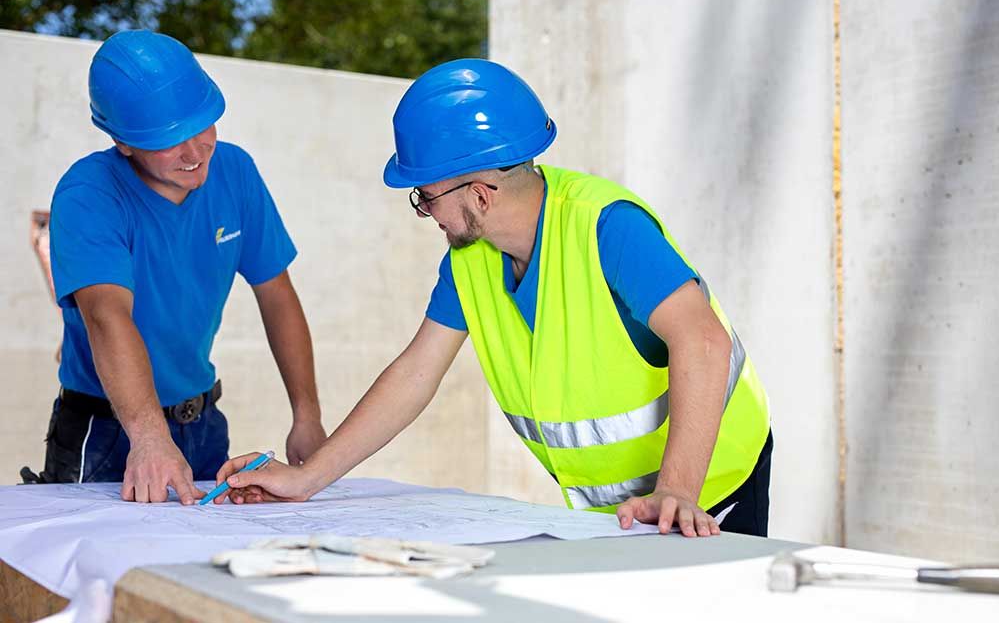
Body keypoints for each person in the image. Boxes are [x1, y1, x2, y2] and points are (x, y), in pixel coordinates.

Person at [215, 59, 773, 537]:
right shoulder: (469, 261)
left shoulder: (606, 226)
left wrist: (678, 491)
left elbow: (701, 339)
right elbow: (415, 374)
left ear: (479, 193)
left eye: (425, 197)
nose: (426, 213)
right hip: (619, 513)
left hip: (710, 489)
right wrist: (307, 479)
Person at [24, 30, 326, 505]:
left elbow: (277, 295)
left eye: (202, 127)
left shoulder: (236, 172)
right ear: (123, 141)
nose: (194, 152)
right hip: (106, 432)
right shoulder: (89, 194)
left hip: (202, 425)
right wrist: (147, 437)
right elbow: (106, 317)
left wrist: (307, 415)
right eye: (169, 141)